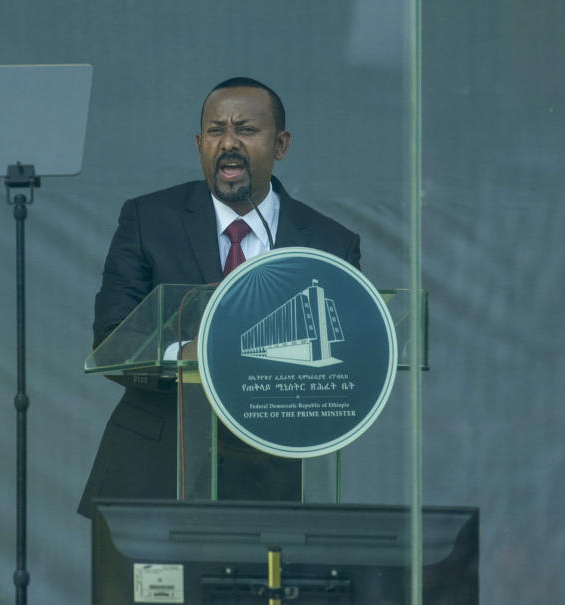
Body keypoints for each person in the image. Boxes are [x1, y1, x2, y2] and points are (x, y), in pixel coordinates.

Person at [78, 77, 360, 518]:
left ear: (281, 144)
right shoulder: (147, 220)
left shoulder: (329, 244)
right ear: (199, 143)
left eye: (246, 130)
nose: (229, 142)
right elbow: (113, 339)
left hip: (276, 479)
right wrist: (187, 357)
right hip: (153, 472)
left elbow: (345, 364)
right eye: (215, 131)